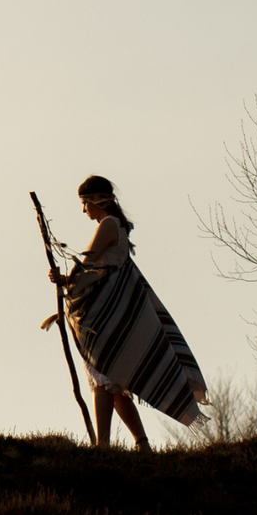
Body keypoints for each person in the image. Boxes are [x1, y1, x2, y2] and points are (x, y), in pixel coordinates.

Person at [47, 176, 208, 450]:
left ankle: (102, 445)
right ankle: (142, 445)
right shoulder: (117, 225)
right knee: (115, 383)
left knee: (103, 381)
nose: (83, 210)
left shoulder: (109, 224)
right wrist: (66, 281)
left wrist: (66, 280)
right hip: (112, 312)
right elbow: (97, 270)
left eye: (84, 203)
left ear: (96, 200)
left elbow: (89, 263)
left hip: (103, 317)